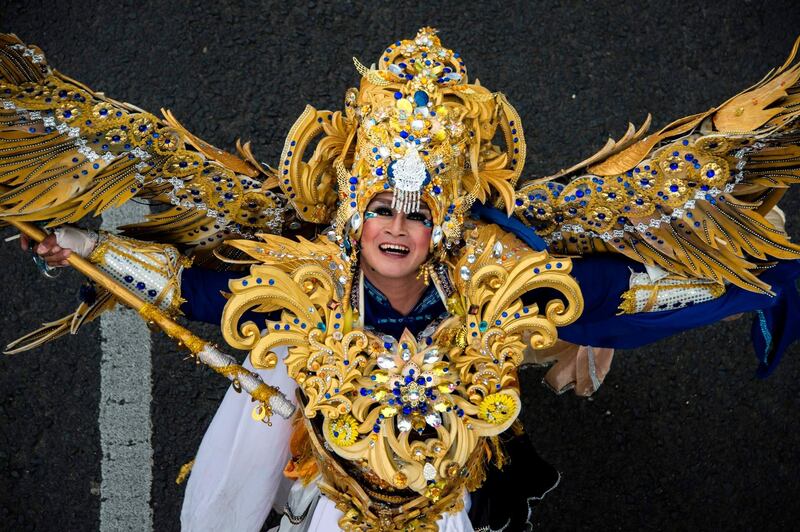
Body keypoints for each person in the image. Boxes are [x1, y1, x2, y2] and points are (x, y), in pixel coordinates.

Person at [4, 27, 800, 530]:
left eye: (417, 214)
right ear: (354, 210)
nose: (396, 227)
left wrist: (747, 281)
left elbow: (616, 296)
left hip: (442, 484)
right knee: (266, 395)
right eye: (382, 206)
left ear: (446, 222)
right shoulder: (312, 277)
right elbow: (194, 291)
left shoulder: (489, 272)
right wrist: (84, 246)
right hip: (336, 477)